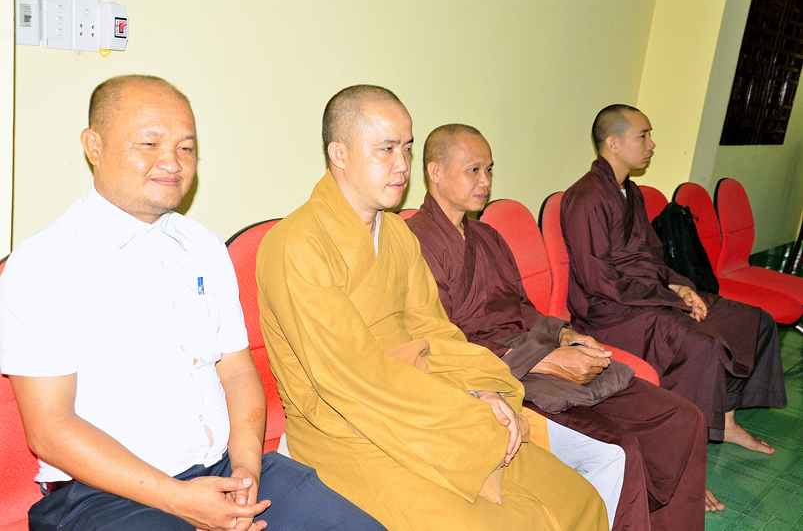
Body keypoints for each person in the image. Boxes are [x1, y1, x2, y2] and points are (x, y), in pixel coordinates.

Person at [0, 75, 384, 531]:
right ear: (94, 146)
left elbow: (237, 371)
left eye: (186, 147)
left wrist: (246, 470)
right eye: (149, 143)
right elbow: (50, 429)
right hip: (102, 497)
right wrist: (179, 500)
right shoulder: (45, 262)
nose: (172, 162)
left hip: (225, 469)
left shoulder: (202, 246)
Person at [255, 85, 608, 531]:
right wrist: (467, 411)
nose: (403, 165)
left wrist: (487, 388)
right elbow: (349, 377)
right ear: (339, 153)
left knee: (578, 500)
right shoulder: (296, 244)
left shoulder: (397, 236)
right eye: (386, 149)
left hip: (431, 405)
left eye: (406, 147)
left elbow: (435, 332)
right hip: (349, 429)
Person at [406, 123, 707, 531]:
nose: (486, 182)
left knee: (682, 416)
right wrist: (545, 360)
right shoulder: (413, 242)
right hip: (498, 373)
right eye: (473, 170)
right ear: (435, 172)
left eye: (489, 170)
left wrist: (566, 334)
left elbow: (523, 308)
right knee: (621, 447)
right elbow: (440, 340)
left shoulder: (488, 236)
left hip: (537, 348)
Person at [561, 105, 788, 511]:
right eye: (643, 136)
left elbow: (652, 256)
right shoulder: (585, 198)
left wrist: (680, 286)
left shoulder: (631, 193)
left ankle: (727, 421)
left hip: (647, 297)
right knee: (700, 346)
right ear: (613, 143)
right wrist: (669, 298)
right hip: (610, 313)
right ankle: (684, 469)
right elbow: (598, 281)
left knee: (753, 321)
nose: (652, 144)